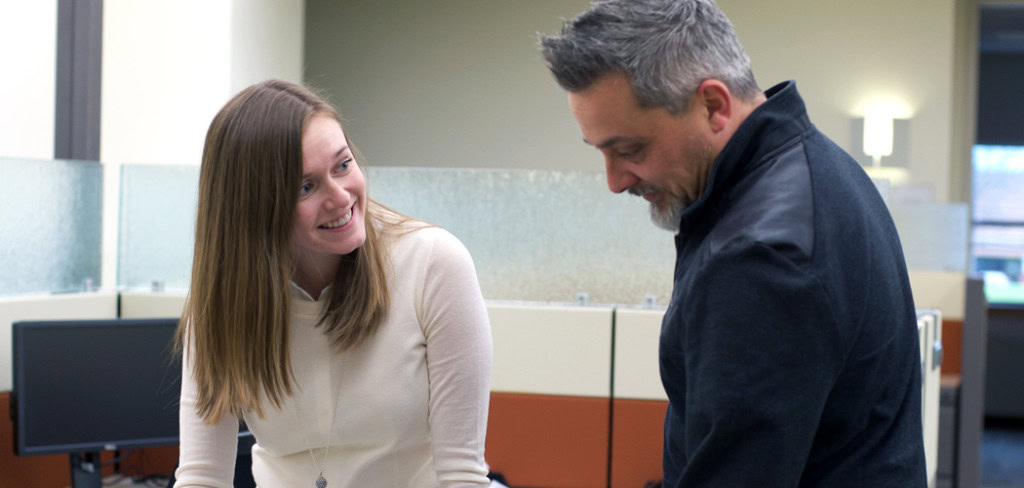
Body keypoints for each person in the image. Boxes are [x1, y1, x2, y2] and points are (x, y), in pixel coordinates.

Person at [541, 1, 927, 486]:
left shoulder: (761, 258)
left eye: (629, 150)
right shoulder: (818, 165)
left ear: (713, 106)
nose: (615, 181)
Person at [173, 80, 493, 487]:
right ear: (254, 211)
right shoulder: (223, 305)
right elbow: (202, 479)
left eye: (343, 165)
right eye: (306, 186)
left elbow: (462, 476)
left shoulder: (433, 264)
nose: (341, 197)